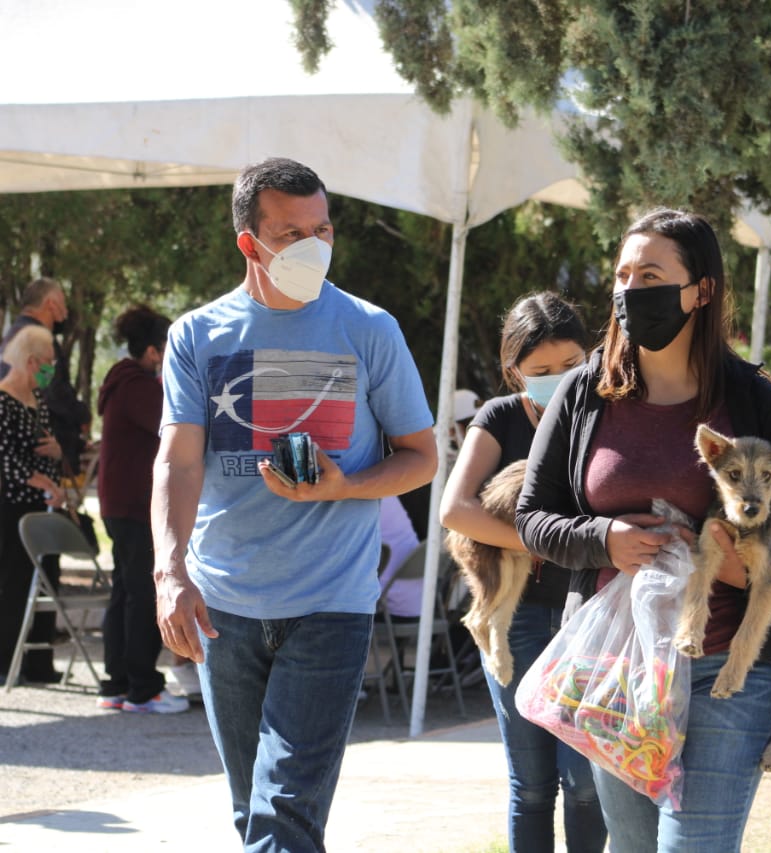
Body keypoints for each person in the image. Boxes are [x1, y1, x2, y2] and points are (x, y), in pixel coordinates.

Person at [515, 210, 771, 851]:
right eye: (623, 275)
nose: (630, 290)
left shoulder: (749, 395)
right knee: (632, 846)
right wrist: (604, 539)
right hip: (619, 668)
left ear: (700, 290)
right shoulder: (582, 392)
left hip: (725, 670)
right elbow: (532, 519)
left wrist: (754, 572)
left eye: (651, 276)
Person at [152, 157, 437, 851]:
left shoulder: (370, 328)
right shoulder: (198, 335)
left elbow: (422, 457)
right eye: (291, 234)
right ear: (249, 243)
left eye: (323, 229)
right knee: (254, 809)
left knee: (283, 809)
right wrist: (169, 570)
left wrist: (346, 486)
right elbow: (179, 461)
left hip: (330, 603)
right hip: (224, 607)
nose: (314, 246)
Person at [440, 291, 606, 853]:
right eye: (541, 371)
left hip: (592, 619)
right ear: (515, 372)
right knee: (532, 785)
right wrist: (544, 542)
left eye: (570, 364)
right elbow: (455, 509)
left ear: (592, 354)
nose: (558, 379)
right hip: (520, 620)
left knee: (586, 783)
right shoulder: (500, 417)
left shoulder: (608, 413)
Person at [94, 305, 188, 713]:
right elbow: (175, 430)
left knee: (124, 592)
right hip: (135, 504)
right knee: (143, 593)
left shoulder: (123, 382)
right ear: (153, 351)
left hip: (119, 503)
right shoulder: (139, 386)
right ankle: (143, 689)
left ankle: (116, 685)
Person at [0, 324, 66, 683]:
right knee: (14, 583)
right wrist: (41, 481)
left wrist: (57, 452)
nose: (50, 369)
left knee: (48, 582)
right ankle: (6, 664)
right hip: (14, 507)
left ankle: (40, 664)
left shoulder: (37, 399)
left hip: (45, 506)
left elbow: (46, 447)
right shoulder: (3, 400)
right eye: (47, 362)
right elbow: (6, 460)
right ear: (30, 361)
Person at [0, 277, 92, 473]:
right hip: (37, 449)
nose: (65, 312)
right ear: (51, 304)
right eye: (63, 304)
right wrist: (81, 414)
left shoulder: (13, 335)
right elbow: (51, 390)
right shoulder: (39, 340)